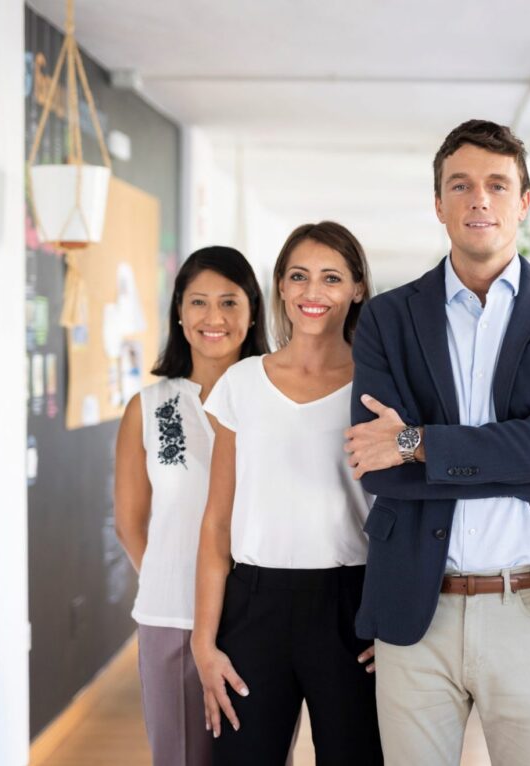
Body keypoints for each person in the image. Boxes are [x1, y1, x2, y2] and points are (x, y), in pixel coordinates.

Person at [343, 119, 530, 766]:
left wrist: (416, 443)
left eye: (498, 185)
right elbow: (375, 465)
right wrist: (524, 462)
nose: (479, 200)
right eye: (460, 185)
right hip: (417, 608)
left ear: (524, 202)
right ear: (437, 203)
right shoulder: (387, 317)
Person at [191, 222, 382, 765]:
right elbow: (216, 525)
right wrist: (204, 643)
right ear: (279, 286)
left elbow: (405, 515)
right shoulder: (242, 384)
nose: (312, 292)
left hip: (351, 606)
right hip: (252, 608)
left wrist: (393, 622)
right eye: (298, 276)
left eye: (331, 278)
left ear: (358, 288)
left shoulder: (378, 387)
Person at [115, 245, 269, 766]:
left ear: (252, 313)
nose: (213, 318)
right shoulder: (151, 408)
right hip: (171, 616)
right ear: (179, 313)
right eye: (199, 302)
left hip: (259, 616)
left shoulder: (275, 402)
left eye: (229, 302)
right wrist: (176, 582)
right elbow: (130, 522)